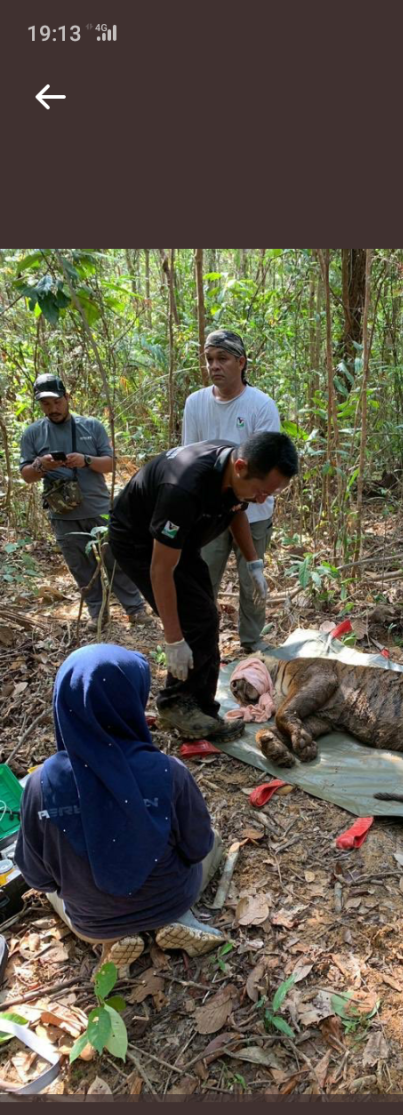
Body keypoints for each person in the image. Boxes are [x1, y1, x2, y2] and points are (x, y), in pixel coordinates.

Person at [15, 645, 228, 971]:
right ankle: (177, 920)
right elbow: (197, 847)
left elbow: (38, 878)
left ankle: (112, 940)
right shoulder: (168, 772)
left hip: (93, 922)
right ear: (130, 701)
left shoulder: (40, 785)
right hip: (170, 901)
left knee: (53, 889)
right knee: (215, 841)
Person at [108, 431, 299, 739]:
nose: (262, 499)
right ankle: (175, 704)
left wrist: (254, 563)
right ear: (240, 467)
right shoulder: (183, 487)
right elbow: (160, 569)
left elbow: (236, 511)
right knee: (195, 618)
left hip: (183, 541)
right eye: (261, 491)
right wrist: (173, 640)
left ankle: (202, 709)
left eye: (270, 493)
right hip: (139, 542)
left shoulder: (238, 473)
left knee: (206, 615)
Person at [19, 375, 151, 630]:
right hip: (62, 513)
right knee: (80, 567)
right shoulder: (33, 433)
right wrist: (42, 465)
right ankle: (97, 613)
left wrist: (85, 460)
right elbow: (26, 476)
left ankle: (135, 609)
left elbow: (110, 464)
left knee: (116, 559)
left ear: (67, 398)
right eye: (46, 404)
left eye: (57, 402)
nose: (53, 408)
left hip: (98, 508)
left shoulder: (91, 426)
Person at [182, 329, 281, 652]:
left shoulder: (261, 405)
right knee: (203, 578)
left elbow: (265, 464)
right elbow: (190, 457)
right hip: (209, 513)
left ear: (241, 362)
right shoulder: (195, 403)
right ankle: (201, 642)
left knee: (251, 579)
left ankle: (252, 641)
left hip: (253, 512)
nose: (214, 366)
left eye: (222, 359)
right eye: (209, 359)